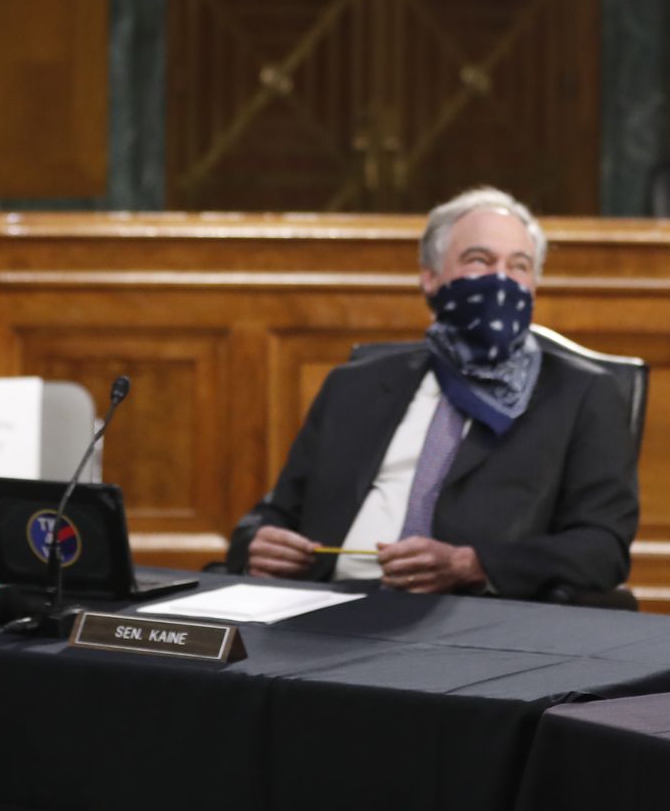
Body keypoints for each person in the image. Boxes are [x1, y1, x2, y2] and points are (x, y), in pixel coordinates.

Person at [225, 187, 638, 599]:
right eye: (479, 260)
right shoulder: (354, 385)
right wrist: (256, 545)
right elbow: (276, 513)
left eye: (519, 266)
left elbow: (602, 549)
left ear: (534, 287)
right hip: (322, 606)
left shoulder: (583, 394)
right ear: (430, 277)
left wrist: (473, 565)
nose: (500, 280)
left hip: (470, 618)